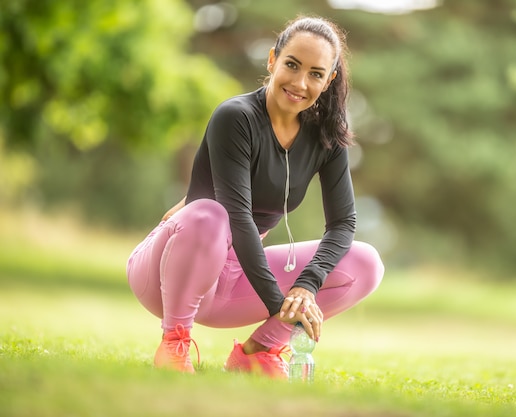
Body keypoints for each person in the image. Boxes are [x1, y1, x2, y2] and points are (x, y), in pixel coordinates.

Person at [126, 15, 385, 378]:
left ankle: (258, 352)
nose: (300, 82)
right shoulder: (236, 118)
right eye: (292, 65)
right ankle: (174, 342)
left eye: (315, 73)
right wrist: (280, 303)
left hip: (234, 279)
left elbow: (343, 224)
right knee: (209, 215)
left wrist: (306, 286)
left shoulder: (327, 137)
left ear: (329, 81)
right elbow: (238, 216)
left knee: (366, 263)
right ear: (271, 60)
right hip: (166, 274)